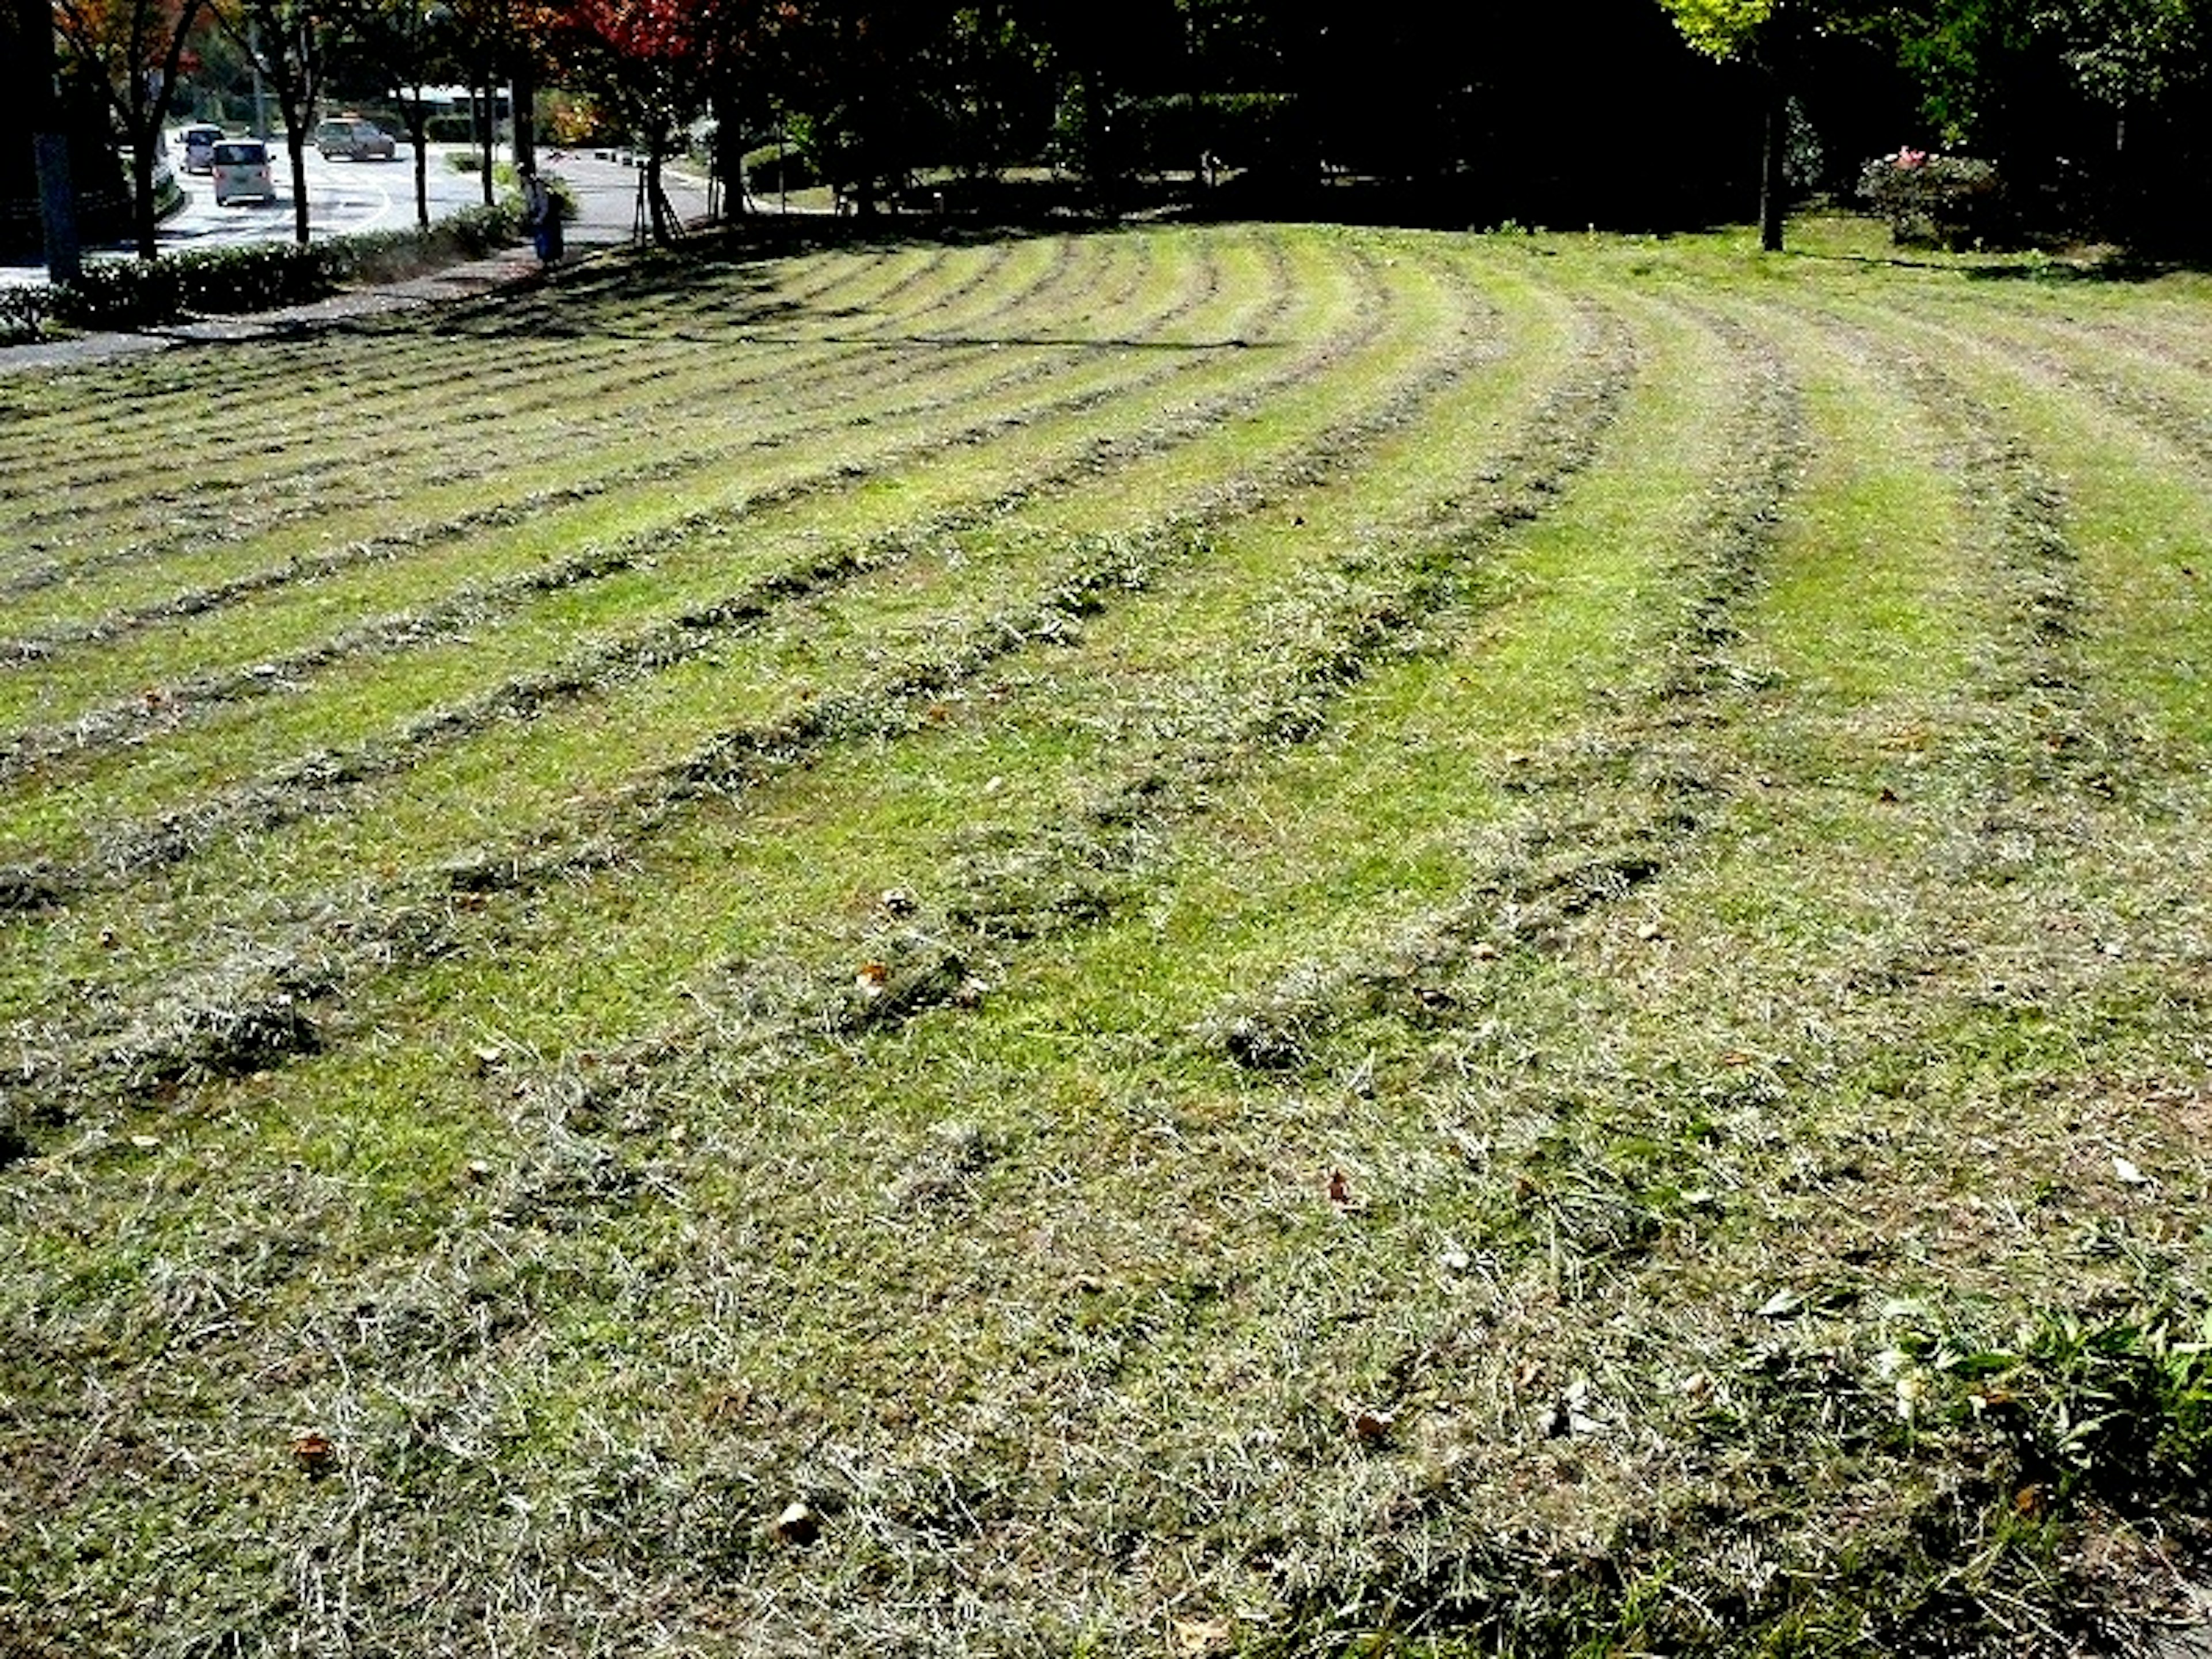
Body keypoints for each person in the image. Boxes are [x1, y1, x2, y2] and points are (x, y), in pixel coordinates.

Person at [521, 166, 561, 265]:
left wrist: (541, 218)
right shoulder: (527, 187)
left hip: (547, 216)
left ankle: (551, 261)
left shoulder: (539, 186)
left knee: (548, 239)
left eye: (523, 176)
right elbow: (529, 203)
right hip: (536, 215)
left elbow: (544, 204)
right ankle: (545, 261)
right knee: (540, 240)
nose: (522, 178)